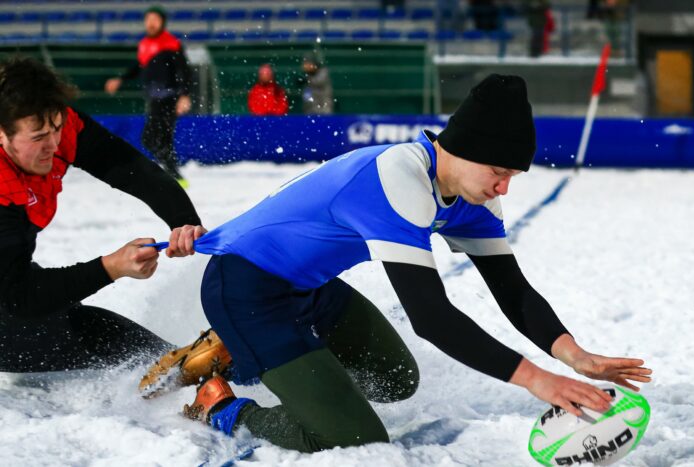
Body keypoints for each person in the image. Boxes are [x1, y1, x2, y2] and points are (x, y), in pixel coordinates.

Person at [145, 74, 652, 452]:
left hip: (309, 289)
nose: (504, 188)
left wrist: (573, 355)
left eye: (513, 176)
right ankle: (223, 406)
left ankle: (243, 353)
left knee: (394, 380)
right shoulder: (397, 175)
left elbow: (511, 289)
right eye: (500, 172)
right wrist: (537, 380)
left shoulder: (472, 196)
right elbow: (431, 318)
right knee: (351, 436)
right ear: (463, 150)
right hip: (246, 291)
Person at [0, 57, 206, 374]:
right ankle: (180, 372)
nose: (53, 145)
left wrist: (183, 220)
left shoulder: (55, 126)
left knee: (70, 316)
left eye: (55, 129)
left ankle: (179, 366)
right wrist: (112, 266)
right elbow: (20, 295)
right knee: (80, 329)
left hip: (11, 277)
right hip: (12, 291)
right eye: (39, 137)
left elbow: (132, 169)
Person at [104, 5, 192, 188]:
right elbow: (138, 66)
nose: (151, 23)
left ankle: (173, 174)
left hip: (170, 98)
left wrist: (184, 95)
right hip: (154, 99)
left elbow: (184, 71)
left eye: (155, 19)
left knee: (152, 137)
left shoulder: (171, 43)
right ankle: (174, 176)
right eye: (148, 19)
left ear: (162, 22)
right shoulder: (144, 44)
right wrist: (120, 79)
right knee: (161, 139)